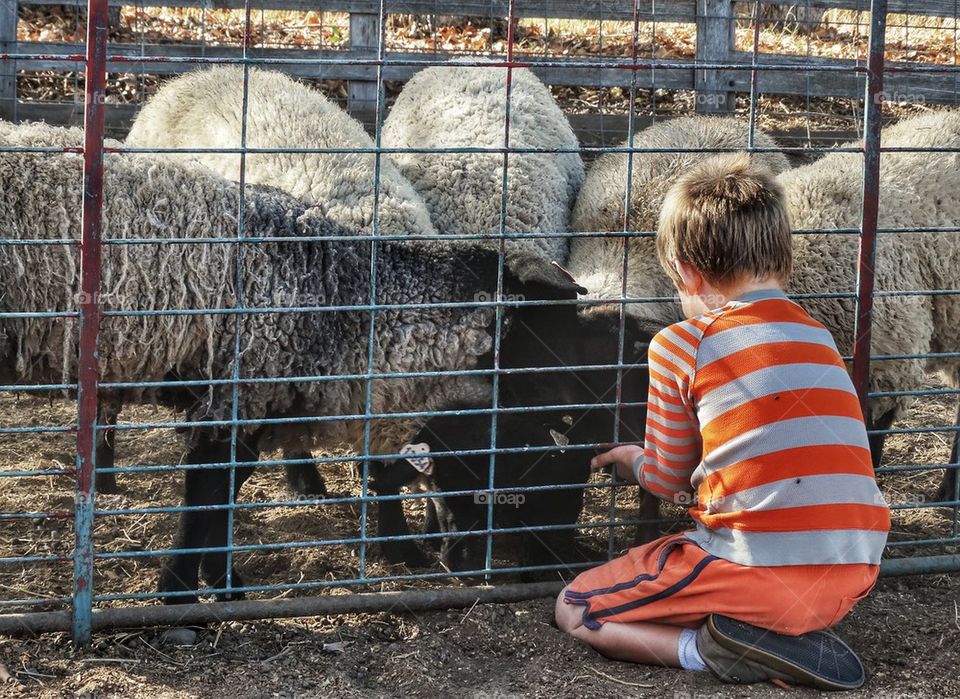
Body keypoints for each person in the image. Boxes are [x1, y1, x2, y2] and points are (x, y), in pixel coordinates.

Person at [554, 153, 890, 690]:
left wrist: (628, 460)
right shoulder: (821, 339)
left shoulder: (680, 343)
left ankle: (714, 651)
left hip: (754, 576)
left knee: (576, 608)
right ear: (784, 258)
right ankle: (774, 636)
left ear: (685, 272)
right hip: (852, 576)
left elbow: (666, 480)